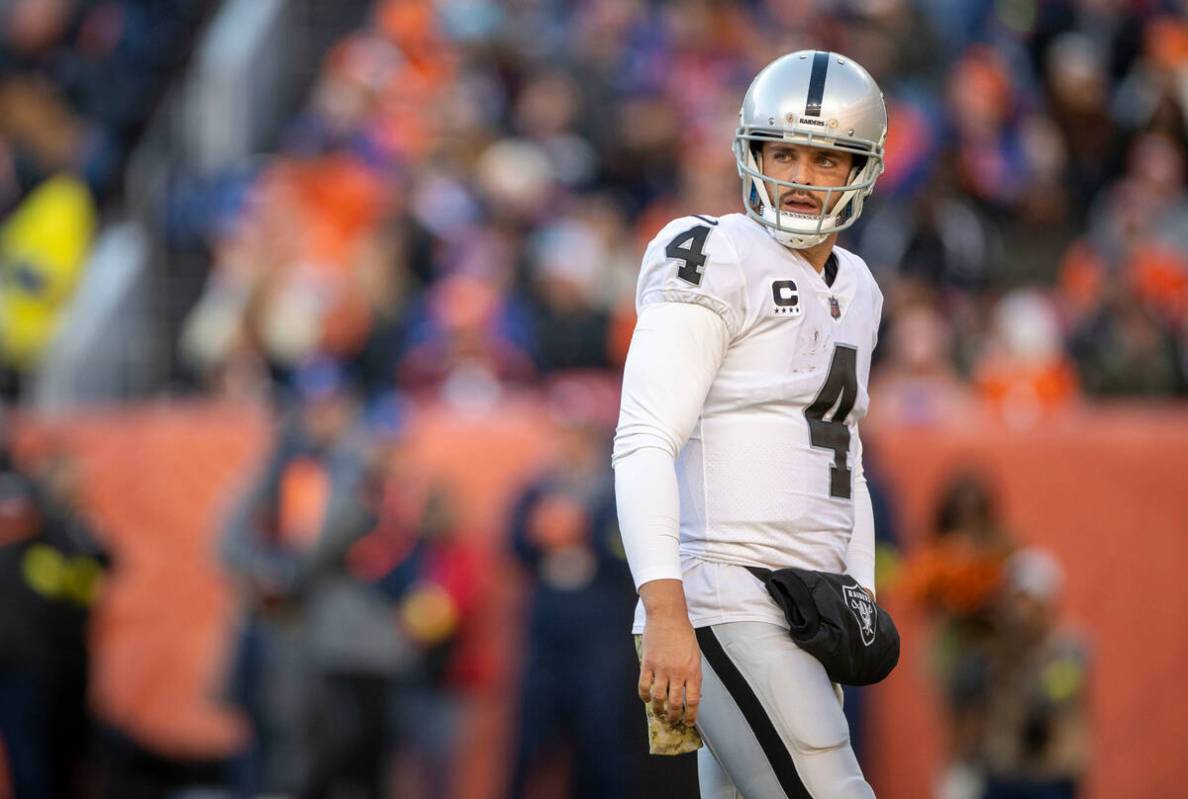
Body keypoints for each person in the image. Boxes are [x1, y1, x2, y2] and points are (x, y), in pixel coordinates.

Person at [613, 50, 887, 798]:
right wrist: (666, 609)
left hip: (809, 610)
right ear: (751, 153)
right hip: (726, 592)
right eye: (784, 152)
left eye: (827, 158)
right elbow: (642, 439)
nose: (801, 175)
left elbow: (847, 460)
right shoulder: (715, 253)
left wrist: (853, 602)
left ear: (862, 168)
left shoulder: (859, 287)